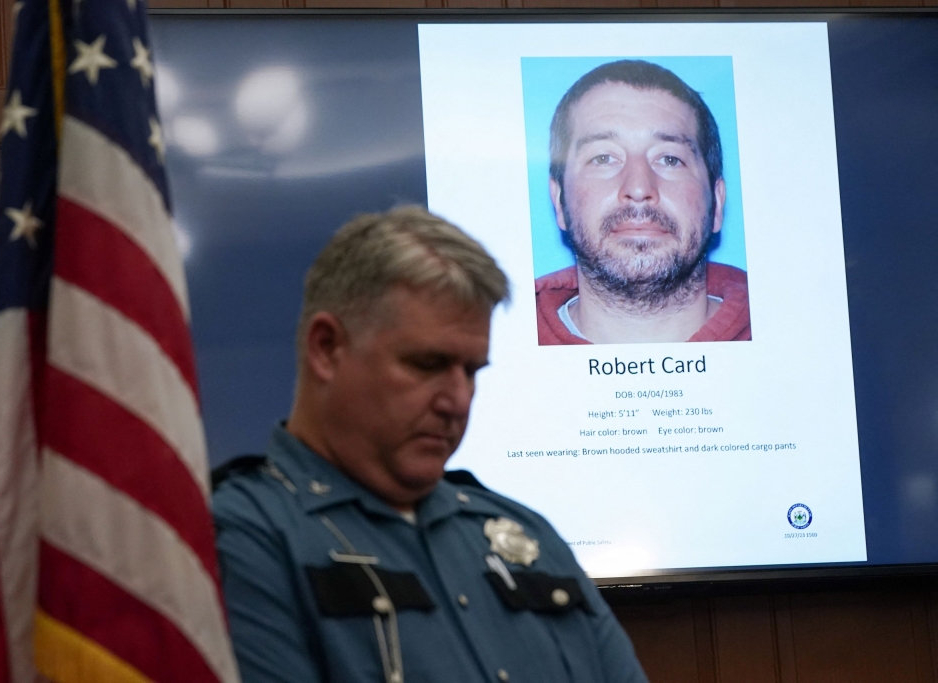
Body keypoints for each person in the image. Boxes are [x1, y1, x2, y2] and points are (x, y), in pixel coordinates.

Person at [212, 206, 649, 683]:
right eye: (427, 364)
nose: (457, 400)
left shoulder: (524, 536)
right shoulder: (243, 538)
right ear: (327, 348)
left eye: (471, 371)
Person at [536, 60, 751, 345]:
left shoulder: (790, 333)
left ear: (718, 202)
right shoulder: (503, 341)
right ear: (559, 200)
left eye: (670, 159)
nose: (638, 188)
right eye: (603, 158)